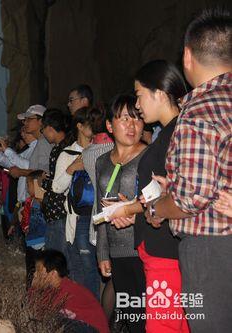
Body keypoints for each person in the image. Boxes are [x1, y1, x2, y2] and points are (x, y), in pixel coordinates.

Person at [145, 9, 231, 332]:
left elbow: (190, 198)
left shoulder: (198, 110)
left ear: (187, 56)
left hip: (212, 251)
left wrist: (157, 208)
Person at [108, 59, 189, 332]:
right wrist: (133, 212)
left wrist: (129, 211)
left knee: (163, 326)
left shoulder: (177, 133)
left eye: (140, 94)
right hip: (160, 250)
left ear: (159, 92)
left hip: (166, 252)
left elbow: (176, 197)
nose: (138, 104)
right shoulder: (168, 133)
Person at [96, 95, 147, 333]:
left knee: (146, 318)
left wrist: (134, 210)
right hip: (116, 252)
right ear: (109, 125)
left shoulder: (149, 156)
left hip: (143, 250)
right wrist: (102, 252)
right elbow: (101, 208)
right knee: (129, 317)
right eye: (125, 118)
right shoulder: (101, 162)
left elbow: (158, 203)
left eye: (137, 119)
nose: (132, 125)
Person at [50, 107, 99, 298]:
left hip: (100, 218)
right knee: (82, 272)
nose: (95, 126)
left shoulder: (103, 149)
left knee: (94, 271)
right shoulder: (67, 153)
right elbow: (57, 187)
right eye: (90, 122)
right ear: (79, 126)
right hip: (77, 221)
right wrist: (72, 168)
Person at [82, 106, 116, 320]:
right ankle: (105, 322)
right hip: (115, 216)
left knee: (105, 276)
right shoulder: (114, 148)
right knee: (114, 277)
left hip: (97, 217)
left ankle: (102, 322)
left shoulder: (86, 153)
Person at [32, 250, 109, 333]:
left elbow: (39, 313)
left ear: (53, 274)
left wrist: (35, 289)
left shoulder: (70, 291)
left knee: (54, 319)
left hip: (92, 330)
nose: (35, 274)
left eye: (38, 271)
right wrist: (34, 288)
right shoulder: (51, 290)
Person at [40, 108, 71, 256]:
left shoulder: (59, 150)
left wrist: (43, 182)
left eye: (43, 129)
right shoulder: (70, 145)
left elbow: (57, 183)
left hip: (58, 211)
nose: (43, 134)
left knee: (56, 257)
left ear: (50, 128)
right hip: (64, 211)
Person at [8, 105, 53, 177]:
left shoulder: (44, 142)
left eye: (29, 119)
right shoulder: (40, 142)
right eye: (25, 120)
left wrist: (20, 172)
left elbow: (43, 173)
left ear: (41, 121)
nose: (25, 123)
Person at [20, 170, 47, 288]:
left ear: (37, 184)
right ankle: (29, 296)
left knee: (38, 272)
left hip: (40, 243)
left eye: (28, 184)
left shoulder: (43, 201)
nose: (27, 188)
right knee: (30, 271)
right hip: (31, 241)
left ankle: (36, 298)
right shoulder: (30, 201)